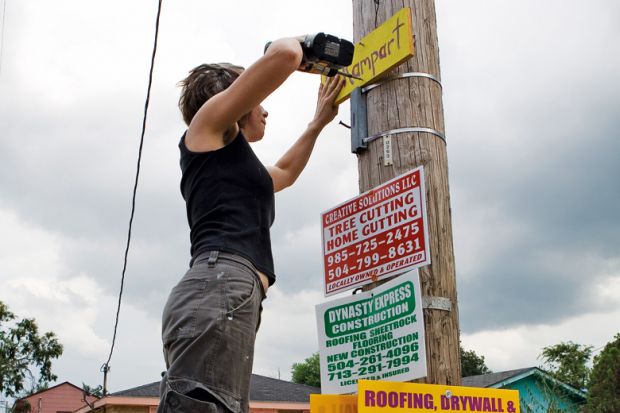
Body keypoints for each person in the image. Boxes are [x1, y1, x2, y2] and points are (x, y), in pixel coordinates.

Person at [157, 37, 344, 413]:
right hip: (219, 284)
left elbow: (286, 173)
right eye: (257, 99)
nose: (265, 110)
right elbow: (286, 55)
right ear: (232, 98)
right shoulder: (205, 129)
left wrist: (318, 122)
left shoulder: (234, 164)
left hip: (230, 291)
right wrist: (305, 47)